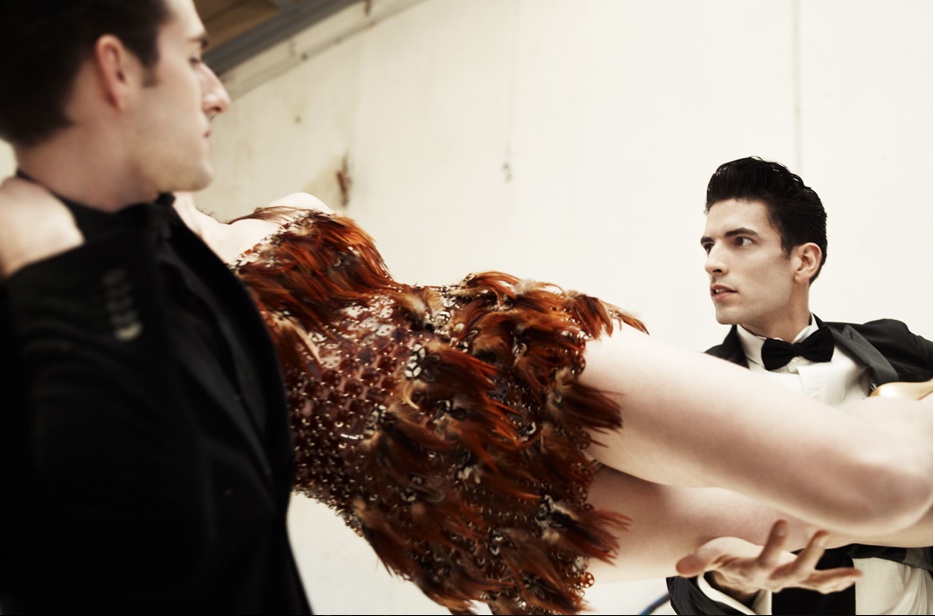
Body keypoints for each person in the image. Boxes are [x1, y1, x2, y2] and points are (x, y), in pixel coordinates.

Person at [0, 1, 311, 613]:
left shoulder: (176, 248)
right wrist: (65, 281)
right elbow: (143, 547)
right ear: (117, 70)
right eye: (193, 58)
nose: (218, 96)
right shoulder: (33, 300)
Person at [665, 156, 933, 615]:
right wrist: (730, 582)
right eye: (709, 245)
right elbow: (679, 569)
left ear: (804, 260)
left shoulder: (896, 350)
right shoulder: (691, 391)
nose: (713, 263)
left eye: (740, 241)